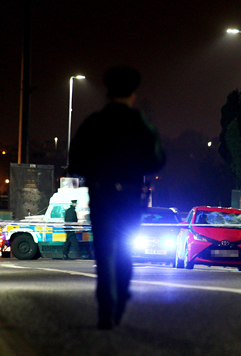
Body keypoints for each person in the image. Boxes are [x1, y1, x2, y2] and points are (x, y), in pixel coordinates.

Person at [68, 66, 165, 330]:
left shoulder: (93, 122)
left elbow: (75, 160)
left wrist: (95, 171)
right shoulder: (140, 123)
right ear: (133, 93)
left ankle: (105, 308)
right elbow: (157, 160)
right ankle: (121, 294)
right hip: (131, 196)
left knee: (103, 251)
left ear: (107, 92)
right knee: (124, 248)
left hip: (101, 194)